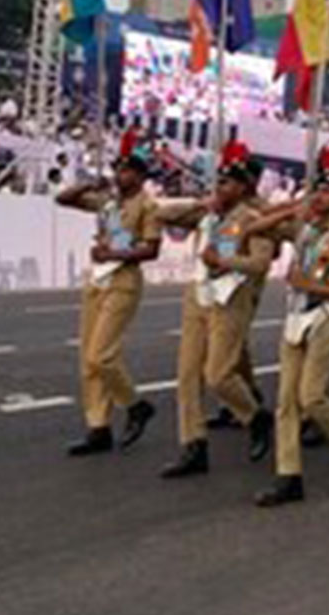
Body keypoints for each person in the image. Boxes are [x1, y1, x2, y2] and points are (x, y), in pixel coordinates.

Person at [242, 168, 329, 508]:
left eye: (327, 191)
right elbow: (252, 227)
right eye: (317, 190)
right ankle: (289, 476)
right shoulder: (305, 229)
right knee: (286, 402)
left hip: (326, 315)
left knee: (311, 396)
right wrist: (293, 208)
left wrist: (312, 286)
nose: (319, 197)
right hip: (296, 314)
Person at [155, 154, 277, 478]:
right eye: (218, 182)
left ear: (242, 187)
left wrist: (226, 261)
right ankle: (193, 445)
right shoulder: (208, 215)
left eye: (226, 183)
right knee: (187, 375)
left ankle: (255, 417)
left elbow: (262, 263)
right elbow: (162, 213)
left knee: (219, 374)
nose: (219, 188)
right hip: (198, 296)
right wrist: (200, 204)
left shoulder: (252, 218)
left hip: (231, 299)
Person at [56, 154, 162, 457]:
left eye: (126, 171)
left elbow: (151, 249)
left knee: (101, 355)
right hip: (98, 280)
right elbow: (63, 199)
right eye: (117, 169)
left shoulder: (148, 206)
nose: (120, 175)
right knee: (87, 360)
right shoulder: (108, 202)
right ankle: (97, 426)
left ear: (141, 176)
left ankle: (135, 405)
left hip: (123, 280)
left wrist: (113, 255)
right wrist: (90, 182)